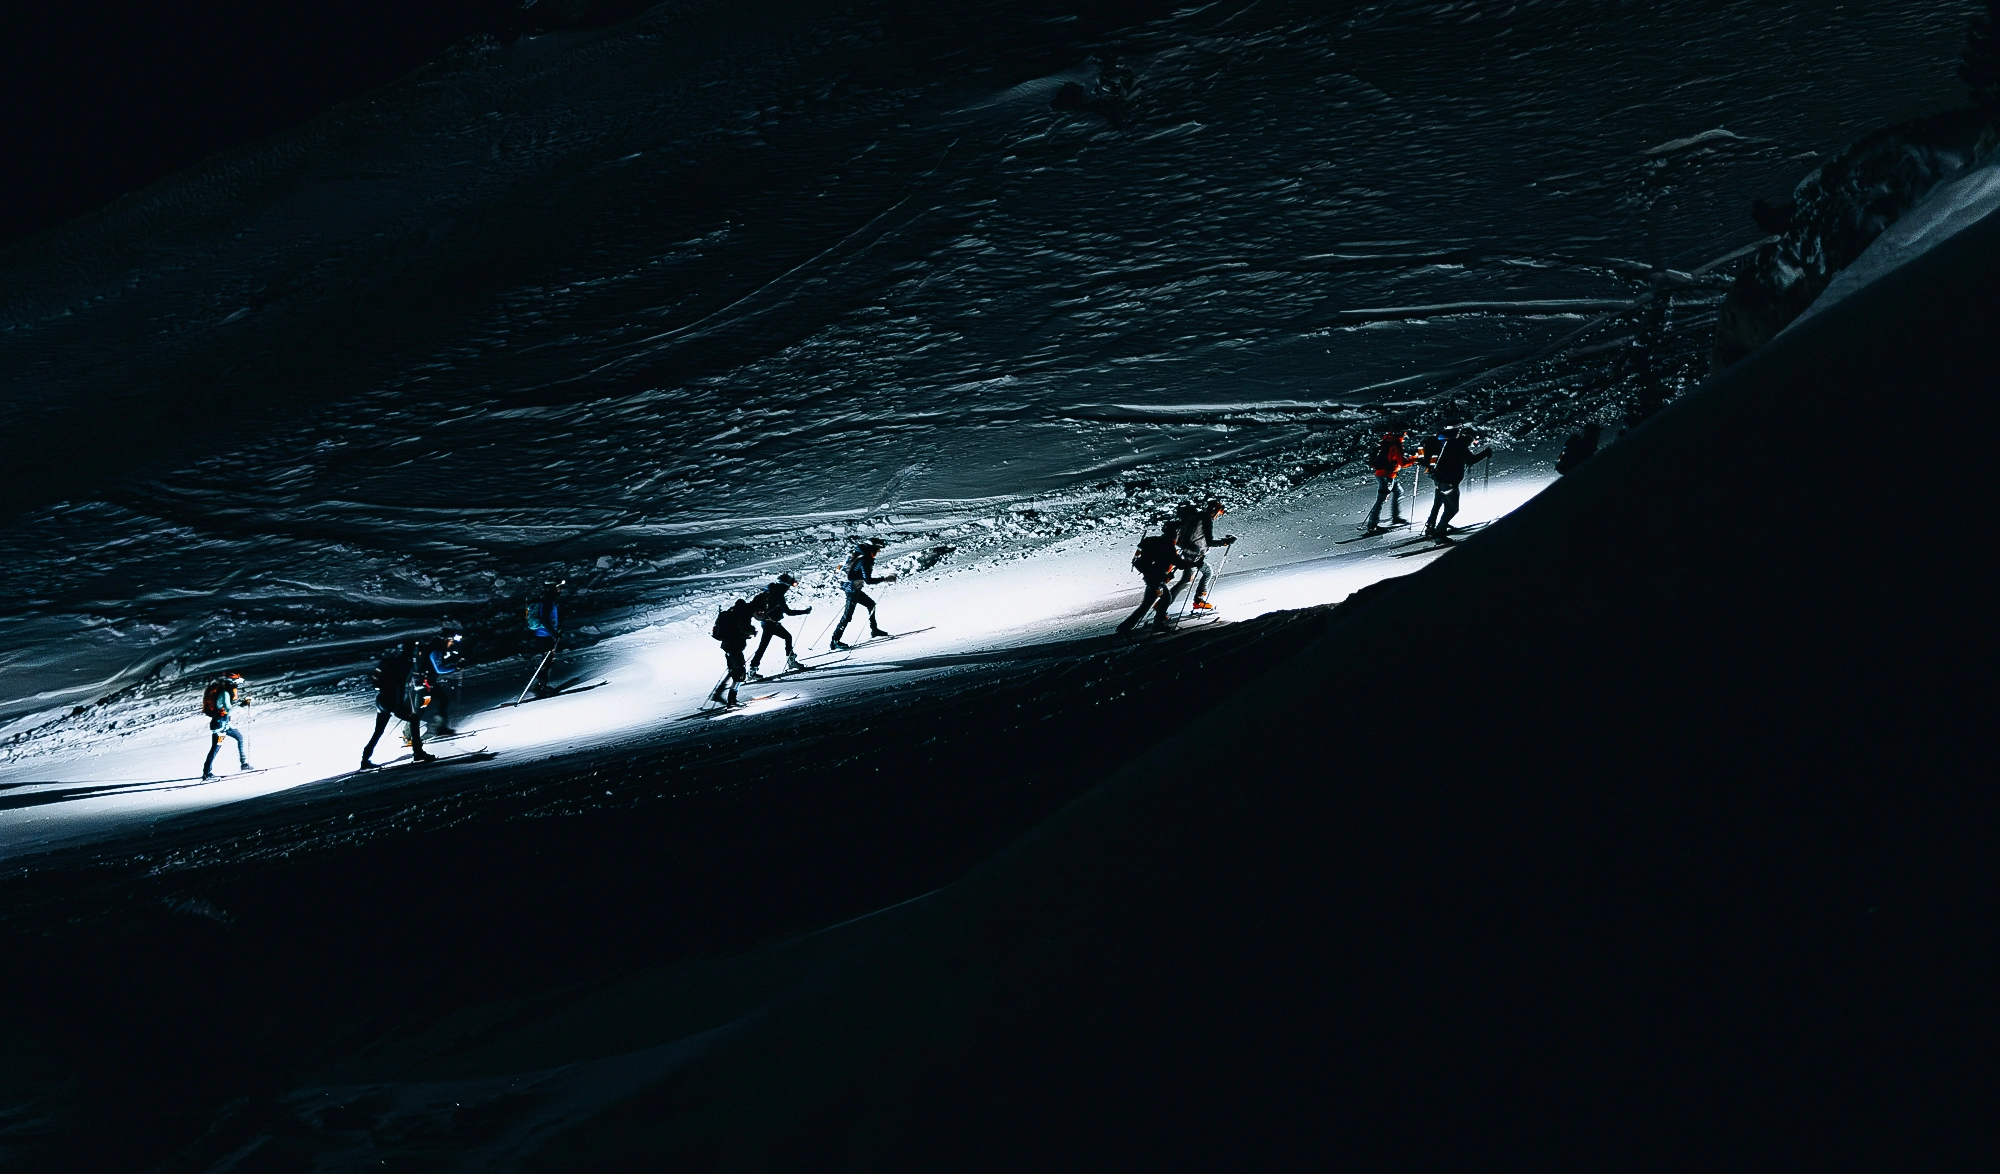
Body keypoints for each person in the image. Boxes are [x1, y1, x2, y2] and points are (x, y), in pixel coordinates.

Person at [362, 640, 433, 769]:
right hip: (391, 700)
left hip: (381, 699)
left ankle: (365, 758)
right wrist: (400, 705)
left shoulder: (390, 661)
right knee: (414, 719)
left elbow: (376, 675)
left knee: (378, 731)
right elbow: (400, 686)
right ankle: (418, 752)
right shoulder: (406, 665)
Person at [1424, 427, 1492, 542]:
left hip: (1440, 480)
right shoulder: (1460, 445)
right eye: (1472, 440)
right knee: (1452, 509)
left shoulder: (1450, 443)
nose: (1471, 443)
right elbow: (1471, 460)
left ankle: (1435, 527)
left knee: (1443, 505)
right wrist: (1486, 453)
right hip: (1448, 482)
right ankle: (1439, 533)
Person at [1169, 499, 1236, 612]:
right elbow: (1209, 541)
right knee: (1186, 581)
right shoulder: (1206, 519)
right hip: (1192, 555)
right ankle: (1164, 606)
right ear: (1215, 511)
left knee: (1203, 573)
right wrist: (1224, 542)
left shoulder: (1196, 517)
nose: (1218, 516)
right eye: (1219, 513)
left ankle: (1197, 600)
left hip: (1187, 552)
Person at [830, 539, 897, 651]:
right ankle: (835, 640)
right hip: (852, 589)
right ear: (872, 548)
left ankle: (874, 629)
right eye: (877, 550)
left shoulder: (858, 555)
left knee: (871, 604)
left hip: (852, 587)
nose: (877, 552)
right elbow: (869, 580)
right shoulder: (865, 559)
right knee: (847, 616)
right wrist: (886, 579)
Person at [1118, 520, 1183, 633]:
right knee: (1161, 600)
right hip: (1157, 579)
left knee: (1153, 601)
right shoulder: (1168, 545)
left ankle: (1126, 627)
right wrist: (1193, 563)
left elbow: (1141, 552)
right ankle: (1130, 627)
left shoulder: (1155, 541)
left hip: (1151, 577)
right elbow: (1179, 563)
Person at [749, 573, 812, 677]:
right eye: (788, 586)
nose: (788, 588)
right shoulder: (778, 594)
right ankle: (752, 670)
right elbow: (788, 612)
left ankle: (753, 669)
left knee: (785, 638)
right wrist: (804, 612)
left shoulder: (770, 591)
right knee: (764, 646)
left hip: (769, 623)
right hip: (770, 624)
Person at [199, 671, 253, 780]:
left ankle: (244, 764)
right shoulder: (224, 693)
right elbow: (228, 711)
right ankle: (207, 773)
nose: (237, 685)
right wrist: (242, 705)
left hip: (225, 724)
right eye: (236, 682)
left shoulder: (226, 691)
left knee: (239, 738)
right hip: (220, 726)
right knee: (215, 749)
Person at [1364, 430, 1418, 533]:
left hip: (1384, 473)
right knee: (1382, 499)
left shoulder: (1387, 440)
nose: (1405, 435)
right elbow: (1403, 463)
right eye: (1404, 432)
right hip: (1386, 475)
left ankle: (1395, 517)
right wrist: (1415, 458)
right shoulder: (1395, 443)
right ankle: (1372, 525)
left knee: (1398, 491)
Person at [709, 597, 759, 707]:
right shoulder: (741, 617)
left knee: (733, 670)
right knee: (740, 674)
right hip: (735, 648)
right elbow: (743, 630)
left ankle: (719, 693)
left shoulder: (729, 615)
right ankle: (732, 699)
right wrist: (752, 633)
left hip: (727, 647)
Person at [418, 628, 464, 737]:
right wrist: (455, 668)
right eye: (451, 640)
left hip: (429, 681)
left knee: (441, 701)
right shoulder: (436, 651)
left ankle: (440, 728)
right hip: (425, 682)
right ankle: (410, 733)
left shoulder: (439, 650)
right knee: (424, 705)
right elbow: (439, 669)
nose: (452, 643)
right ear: (445, 640)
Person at [524, 580, 563, 698]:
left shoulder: (548, 600)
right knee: (548, 659)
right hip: (544, 635)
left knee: (549, 659)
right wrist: (554, 634)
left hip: (545, 634)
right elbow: (545, 620)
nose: (559, 590)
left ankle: (541, 684)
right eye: (558, 587)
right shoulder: (547, 602)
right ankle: (540, 685)